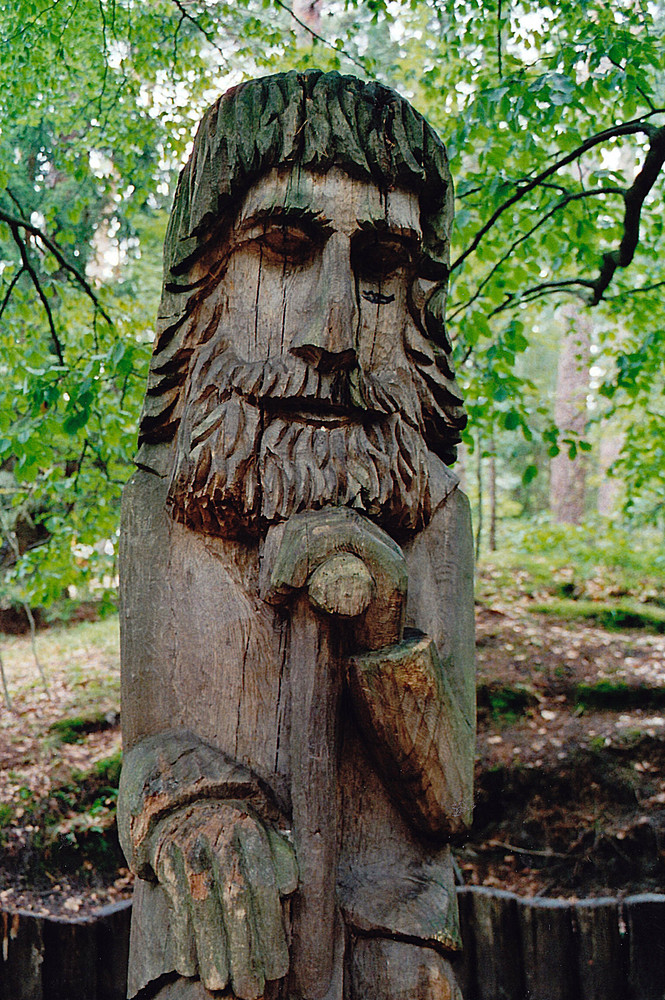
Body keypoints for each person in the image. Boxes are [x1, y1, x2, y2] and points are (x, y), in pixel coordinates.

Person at [118, 69, 475, 1000]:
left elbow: (447, 799)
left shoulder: (431, 507)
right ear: (205, 278)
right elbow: (146, 742)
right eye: (284, 247)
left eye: (381, 269)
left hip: (390, 926)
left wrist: (382, 624)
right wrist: (186, 798)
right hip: (216, 927)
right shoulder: (160, 499)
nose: (334, 331)